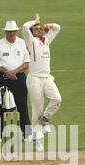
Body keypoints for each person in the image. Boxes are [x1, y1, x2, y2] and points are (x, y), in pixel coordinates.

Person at [22, 14, 62, 152]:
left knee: (57, 99)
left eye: (40, 28)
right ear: (32, 33)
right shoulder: (30, 41)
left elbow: (57, 28)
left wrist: (49, 26)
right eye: (36, 29)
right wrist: (35, 21)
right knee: (36, 111)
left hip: (47, 78)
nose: (39, 30)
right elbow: (24, 27)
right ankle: (35, 138)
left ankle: (46, 118)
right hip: (34, 79)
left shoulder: (46, 40)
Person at [0, 20, 32, 143]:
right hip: (3, 78)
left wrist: (15, 72)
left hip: (19, 78)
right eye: (9, 31)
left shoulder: (22, 43)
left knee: (22, 105)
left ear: (16, 31)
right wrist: (8, 73)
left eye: (13, 31)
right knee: (1, 106)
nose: (11, 33)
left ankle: (28, 134)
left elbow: (27, 62)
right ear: (6, 32)